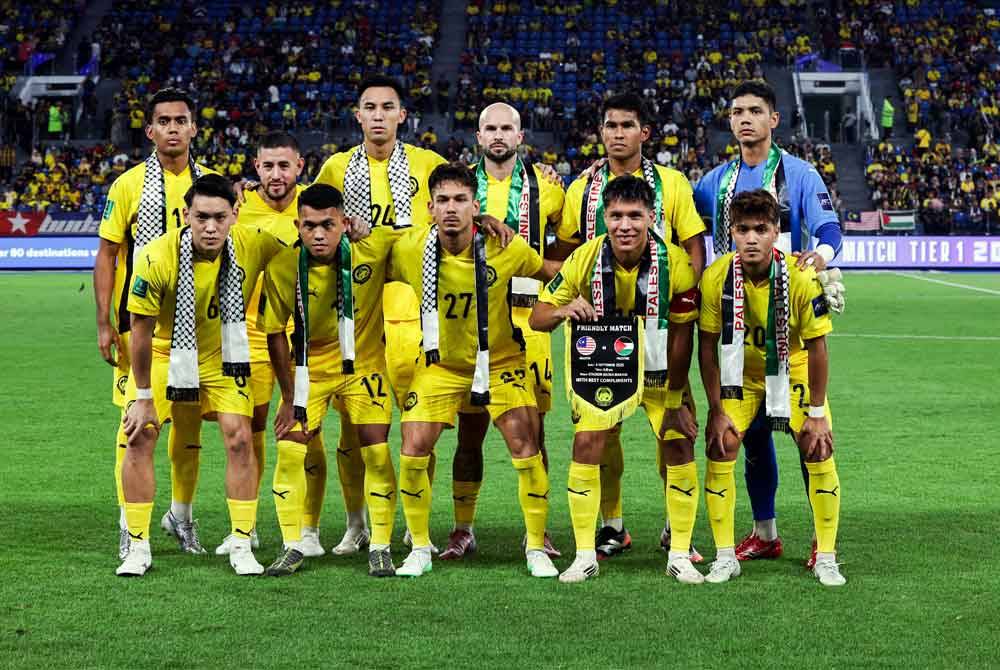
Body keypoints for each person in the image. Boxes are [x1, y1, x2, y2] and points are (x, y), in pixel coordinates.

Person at [693, 79, 843, 566]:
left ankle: (823, 541)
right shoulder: (715, 181)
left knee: (807, 436)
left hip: (788, 314)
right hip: (737, 319)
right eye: (736, 111)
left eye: (755, 111)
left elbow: (828, 228)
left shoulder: (798, 174)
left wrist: (818, 259)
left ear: (773, 119)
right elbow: (686, 225)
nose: (744, 119)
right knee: (751, 433)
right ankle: (765, 531)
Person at [553, 92, 706, 560]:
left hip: (660, 331)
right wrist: (571, 298)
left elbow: (694, 245)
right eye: (610, 125)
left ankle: (672, 529)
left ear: (645, 133)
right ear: (601, 132)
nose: (617, 133)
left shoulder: (673, 184)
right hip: (600, 338)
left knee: (674, 430)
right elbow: (565, 254)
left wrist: (682, 292)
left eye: (627, 125)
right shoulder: (582, 189)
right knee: (604, 435)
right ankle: (611, 526)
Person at [387, 163, 559, 578]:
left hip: (500, 361)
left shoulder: (506, 246)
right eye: (443, 201)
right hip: (441, 365)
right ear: (429, 207)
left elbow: (549, 274)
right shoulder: (408, 248)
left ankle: (535, 545)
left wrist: (576, 294)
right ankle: (421, 547)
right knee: (412, 446)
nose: (451, 209)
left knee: (525, 442)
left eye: (460, 200)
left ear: (474, 205)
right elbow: (362, 249)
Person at [531, 176, 702, 584]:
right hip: (605, 369)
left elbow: (682, 339)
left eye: (635, 216)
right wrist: (564, 310)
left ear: (652, 217)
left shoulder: (676, 263)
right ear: (604, 218)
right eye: (616, 216)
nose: (625, 225)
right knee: (586, 443)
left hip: (661, 372)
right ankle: (585, 555)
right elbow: (538, 317)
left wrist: (677, 401)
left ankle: (679, 553)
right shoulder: (584, 258)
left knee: (678, 445)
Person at [117, 174, 285, 576]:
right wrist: (142, 395)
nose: (210, 227)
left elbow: (303, 252)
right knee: (141, 434)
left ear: (235, 215)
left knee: (240, 438)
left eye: (219, 218)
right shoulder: (156, 258)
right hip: (163, 352)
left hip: (221, 355)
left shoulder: (253, 242)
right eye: (201, 217)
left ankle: (242, 543)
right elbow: (139, 333)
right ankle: (137, 546)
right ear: (186, 215)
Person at [312, 75, 447, 555]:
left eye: (387, 107)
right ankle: (356, 523)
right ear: (357, 114)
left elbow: (458, 204)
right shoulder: (335, 168)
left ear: (401, 115)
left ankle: (416, 522)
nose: (378, 115)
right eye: (369, 107)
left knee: (419, 428)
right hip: (360, 321)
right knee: (354, 429)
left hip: (415, 320)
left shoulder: (428, 165)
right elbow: (314, 225)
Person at [436, 102, 565, 560]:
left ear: (520, 135)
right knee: (468, 432)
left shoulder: (548, 187)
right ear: (477, 135)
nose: (498, 134)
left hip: (529, 323)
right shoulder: (460, 187)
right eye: (489, 127)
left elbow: (564, 246)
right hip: (473, 321)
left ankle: (540, 530)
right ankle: (462, 527)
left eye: (506, 127)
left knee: (534, 430)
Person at [95, 88, 215, 561]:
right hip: (140, 330)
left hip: (198, 331)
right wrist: (105, 322)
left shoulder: (212, 184)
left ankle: (180, 516)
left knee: (188, 430)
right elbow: (106, 254)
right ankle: (132, 526)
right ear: (150, 131)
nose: (171, 128)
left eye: (179, 120)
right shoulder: (127, 186)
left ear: (193, 128)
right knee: (136, 427)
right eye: (162, 121)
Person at [260, 183, 399, 577]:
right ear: (297, 226)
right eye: (309, 226)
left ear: (344, 222)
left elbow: (422, 235)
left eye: (328, 225)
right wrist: (288, 397)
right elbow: (273, 334)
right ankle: (292, 545)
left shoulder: (371, 250)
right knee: (289, 448)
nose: (318, 234)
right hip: (311, 370)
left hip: (363, 367)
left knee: (375, 450)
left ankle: (382, 546)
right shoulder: (283, 266)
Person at [214, 131, 313, 557]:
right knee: (250, 428)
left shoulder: (315, 206)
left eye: (284, 165)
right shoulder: (239, 207)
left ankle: (308, 530)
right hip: (250, 335)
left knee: (305, 432)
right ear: (256, 168)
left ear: (300, 166)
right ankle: (246, 526)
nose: (276, 174)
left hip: (305, 335)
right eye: (268, 166)